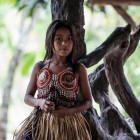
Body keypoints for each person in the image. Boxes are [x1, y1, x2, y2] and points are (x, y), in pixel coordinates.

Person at [13, 20, 93, 140]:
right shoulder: (40, 67)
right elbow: (27, 97)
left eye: (69, 38)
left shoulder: (78, 69)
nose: (64, 43)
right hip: (40, 124)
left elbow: (88, 102)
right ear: (50, 41)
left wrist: (69, 111)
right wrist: (40, 102)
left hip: (69, 126)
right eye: (59, 39)